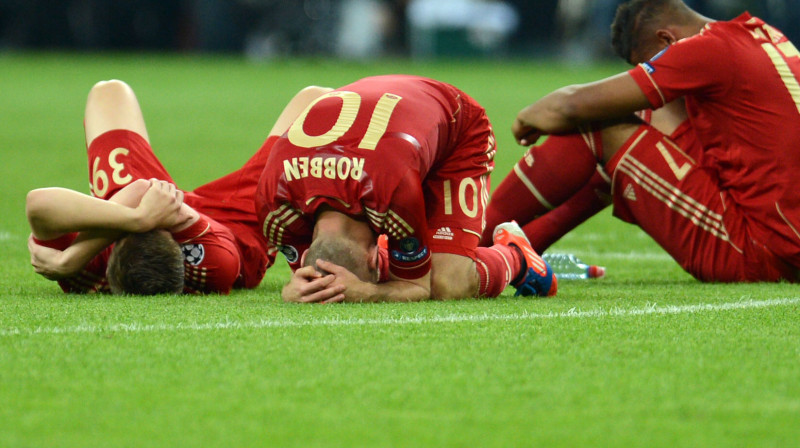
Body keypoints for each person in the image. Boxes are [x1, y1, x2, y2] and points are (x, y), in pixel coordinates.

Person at [494, 0, 800, 282]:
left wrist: (525, 118)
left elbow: (570, 105)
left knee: (599, 125)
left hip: (765, 250)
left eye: (650, 62)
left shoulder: (704, 49)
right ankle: (520, 250)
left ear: (667, 40)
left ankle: (468, 244)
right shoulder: (763, 33)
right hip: (787, 232)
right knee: (635, 128)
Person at [255, 74, 558, 303]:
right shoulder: (273, 204)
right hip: (392, 124)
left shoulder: (392, 199)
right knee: (416, 264)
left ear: (375, 258)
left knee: (448, 284)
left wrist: (368, 292)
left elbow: (418, 287)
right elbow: (312, 279)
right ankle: (401, 253)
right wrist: (297, 287)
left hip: (456, 125)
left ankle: (516, 257)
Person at [26, 80, 328, 294]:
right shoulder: (216, 263)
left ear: (114, 246)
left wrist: (70, 259)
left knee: (109, 91)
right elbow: (148, 195)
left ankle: (124, 214)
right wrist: (140, 218)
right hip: (238, 223)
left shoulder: (87, 267)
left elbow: (37, 204)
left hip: (142, 201)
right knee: (320, 101)